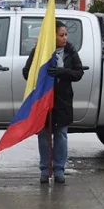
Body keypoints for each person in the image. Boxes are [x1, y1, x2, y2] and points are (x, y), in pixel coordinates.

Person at [23, 20, 84, 184]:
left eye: (66, 34)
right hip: (43, 100)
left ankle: (59, 169)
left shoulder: (70, 51)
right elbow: (27, 72)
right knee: (43, 136)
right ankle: (44, 169)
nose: (65, 38)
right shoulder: (39, 51)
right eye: (61, 35)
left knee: (61, 136)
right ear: (53, 36)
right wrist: (42, 73)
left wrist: (61, 71)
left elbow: (78, 73)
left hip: (62, 101)